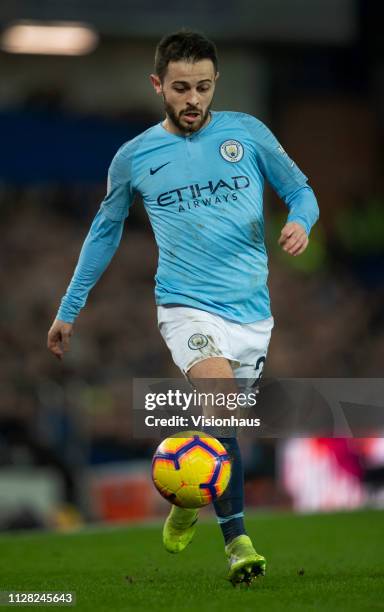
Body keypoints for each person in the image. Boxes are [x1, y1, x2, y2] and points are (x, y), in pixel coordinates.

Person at [47, 29, 319, 585]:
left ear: (215, 83)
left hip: (252, 314)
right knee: (220, 406)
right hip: (185, 305)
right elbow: (104, 232)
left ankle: (188, 496)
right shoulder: (135, 157)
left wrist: (299, 221)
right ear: (158, 86)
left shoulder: (248, 134)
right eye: (179, 88)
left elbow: (302, 192)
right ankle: (238, 544)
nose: (192, 99)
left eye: (202, 87)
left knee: (222, 429)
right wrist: (68, 308)